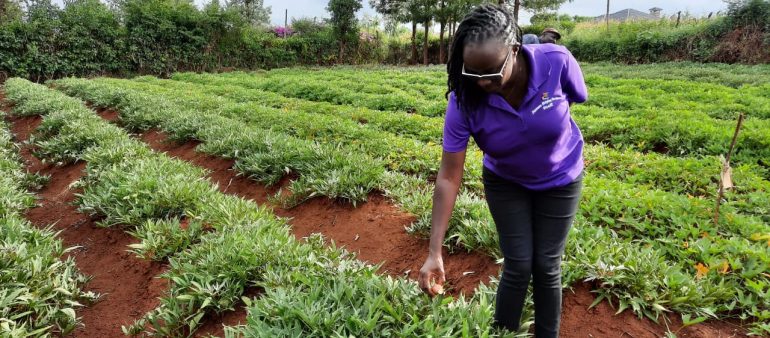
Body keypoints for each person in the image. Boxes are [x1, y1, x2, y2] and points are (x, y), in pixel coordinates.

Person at [417, 4, 587, 337]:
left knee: (546, 265)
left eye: (492, 72)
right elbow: (449, 177)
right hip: (506, 181)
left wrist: (543, 118)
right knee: (518, 264)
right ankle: (503, 333)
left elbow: (577, 95)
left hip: (560, 178)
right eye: (472, 72)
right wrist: (434, 251)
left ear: (515, 50)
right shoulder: (464, 100)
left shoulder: (556, 61)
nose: (482, 82)